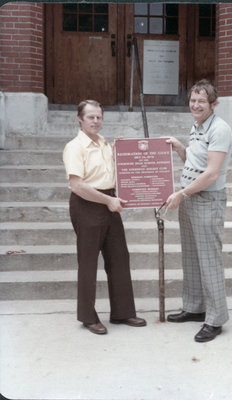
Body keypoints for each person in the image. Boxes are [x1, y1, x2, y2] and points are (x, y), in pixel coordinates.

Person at [63, 100, 146, 335]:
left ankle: (122, 312)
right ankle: (88, 317)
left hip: (110, 202)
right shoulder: (75, 147)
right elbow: (77, 185)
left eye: (99, 117)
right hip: (87, 205)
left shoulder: (105, 144)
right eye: (91, 117)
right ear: (80, 119)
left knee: (119, 257)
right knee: (88, 262)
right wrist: (108, 201)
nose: (96, 121)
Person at [165, 79, 232, 342]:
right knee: (192, 257)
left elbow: (212, 174)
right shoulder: (197, 125)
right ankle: (194, 308)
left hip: (206, 199)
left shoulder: (220, 129)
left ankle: (215, 320)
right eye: (193, 100)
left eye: (201, 101)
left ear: (213, 104)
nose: (195, 105)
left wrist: (181, 194)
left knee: (209, 260)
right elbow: (195, 163)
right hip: (191, 197)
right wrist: (180, 147)